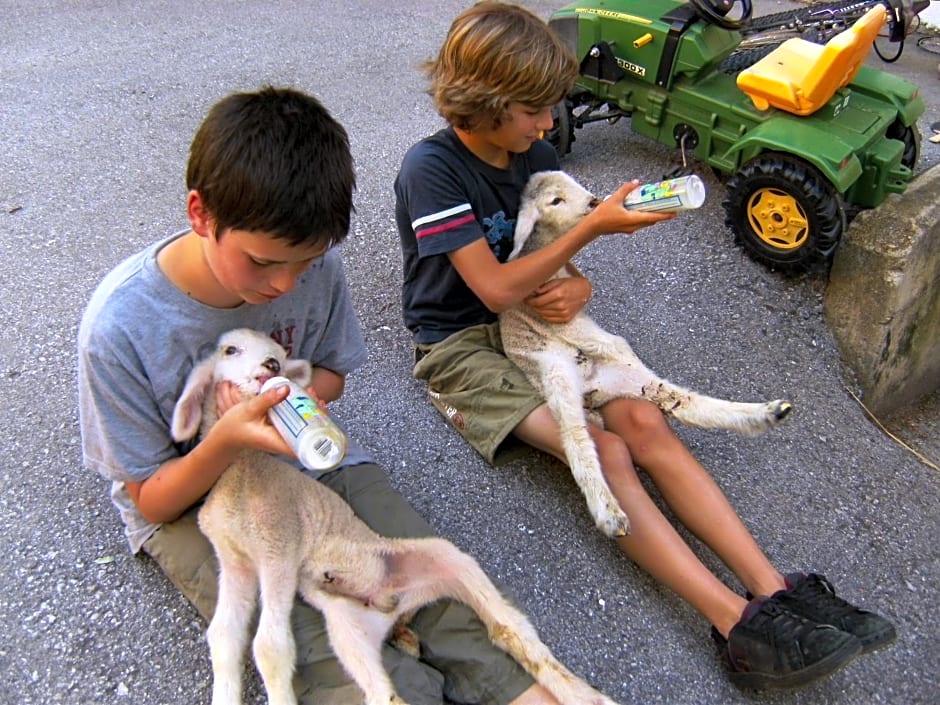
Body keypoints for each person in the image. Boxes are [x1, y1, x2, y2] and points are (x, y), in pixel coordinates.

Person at [394, 1, 896, 692]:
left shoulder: (533, 154)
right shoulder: (432, 170)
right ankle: (733, 622)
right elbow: (490, 291)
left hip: (535, 318)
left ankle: (773, 586)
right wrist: (591, 232)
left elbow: (549, 262)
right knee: (603, 448)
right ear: (485, 103)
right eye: (536, 111)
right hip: (461, 344)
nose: (548, 125)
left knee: (643, 418)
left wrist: (581, 287)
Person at [77, 86, 568, 705]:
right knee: (324, 656)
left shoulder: (316, 266)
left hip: (305, 459)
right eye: (262, 262)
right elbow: (150, 500)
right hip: (194, 499)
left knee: (446, 596)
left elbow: (331, 374)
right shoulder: (121, 327)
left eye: (304, 266)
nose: (284, 284)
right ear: (201, 214)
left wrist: (291, 399)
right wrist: (227, 439)